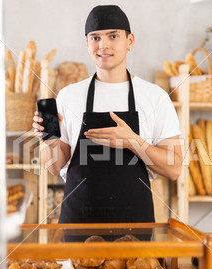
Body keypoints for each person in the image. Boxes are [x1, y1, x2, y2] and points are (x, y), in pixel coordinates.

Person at [33, 5, 182, 224]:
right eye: (95, 38)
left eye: (113, 36)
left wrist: (133, 142)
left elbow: (174, 168)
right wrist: (49, 141)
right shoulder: (68, 96)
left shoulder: (156, 97)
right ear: (87, 43)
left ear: (130, 41)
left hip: (134, 224)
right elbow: (55, 168)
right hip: (78, 224)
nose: (103, 45)